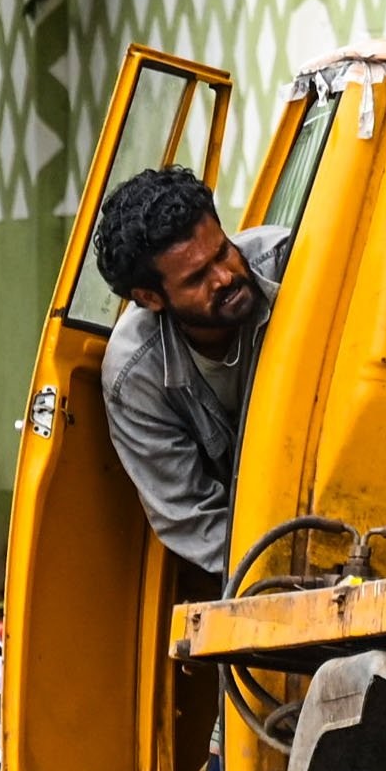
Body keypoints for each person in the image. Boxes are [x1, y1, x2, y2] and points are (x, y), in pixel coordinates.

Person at [92, 165, 289, 579]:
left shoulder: (295, 263)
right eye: (198, 277)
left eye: (223, 252)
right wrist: (287, 581)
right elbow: (194, 519)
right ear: (149, 298)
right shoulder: (134, 376)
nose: (225, 277)